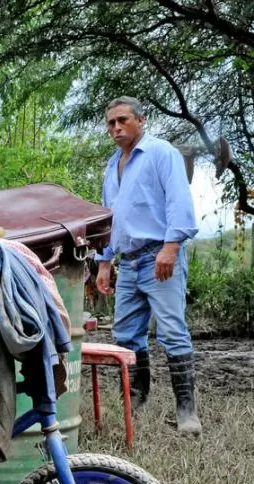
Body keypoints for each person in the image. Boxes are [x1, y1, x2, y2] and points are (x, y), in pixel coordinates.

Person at [95, 96, 202, 434]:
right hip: (128, 263)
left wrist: (171, 247)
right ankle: (137, 399)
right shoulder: (113, 166)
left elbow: (178, 200)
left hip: (159, 255)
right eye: (111, 123)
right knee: (125, 333)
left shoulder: (160, 153)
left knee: (171, 331)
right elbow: (108, 218)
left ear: (141, 120)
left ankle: (186, 411)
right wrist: (104, 262)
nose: (116, 128)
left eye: (122, 120)